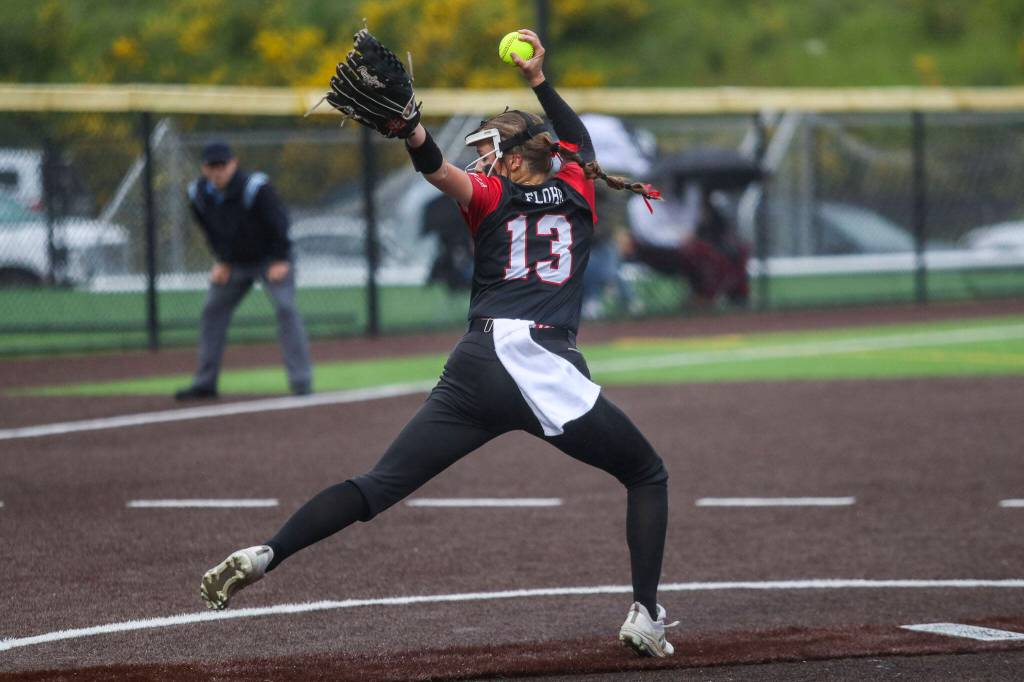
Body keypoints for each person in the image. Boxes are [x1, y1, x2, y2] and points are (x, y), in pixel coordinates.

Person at [199, 30, 676, 657]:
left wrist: (412, 131)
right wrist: (537, 79)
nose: (479, 157)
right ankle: (645, 611)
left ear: (510, 159)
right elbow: (576, 142)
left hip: (478, 362)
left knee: (378, 485)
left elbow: (436, 170)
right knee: (646, 473)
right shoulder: (579, 188)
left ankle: (269, 551)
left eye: (488, 149)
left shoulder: (491, 196)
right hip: (537, 358)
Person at [174, 141, 313, 400]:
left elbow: (279, 223)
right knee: (212, 310)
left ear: (233, 164)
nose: (217, 171)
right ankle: (205, 382)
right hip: (235, 263)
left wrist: (281, 258)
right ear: (204, 168)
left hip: (271, 259)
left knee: (285, 308)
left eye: (222, 165)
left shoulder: (255, 188)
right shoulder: (198, 194)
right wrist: (222, 260)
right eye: (211, 166)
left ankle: (301, 382)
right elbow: (211, 233)